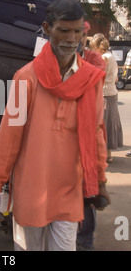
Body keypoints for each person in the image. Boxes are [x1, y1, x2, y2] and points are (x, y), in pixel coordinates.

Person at [0, 0, 110, 251]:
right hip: (31, 190)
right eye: (64, 30)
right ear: (47, 28)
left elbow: (96, 133)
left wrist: (100, 181)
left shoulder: (90, 79)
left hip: (69, 190)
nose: (72, 39)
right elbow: (8, 140)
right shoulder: (25, 78)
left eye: (78, 31)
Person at [76, 22, 106, 251]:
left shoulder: (94, 59)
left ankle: (85, 243)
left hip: (90, 133)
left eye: (81, 33)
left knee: (88, 194)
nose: (76, 38)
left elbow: (96, 76)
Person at [89, 33, 123, 163]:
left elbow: (95, 76)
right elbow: (116, 78)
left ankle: (103, 154)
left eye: (93, 47)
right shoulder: (111, 56)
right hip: (112, 92)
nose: (92, 50)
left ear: (99, 47)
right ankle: (108, 154)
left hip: (104, 94)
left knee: (102, 124)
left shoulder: (103, 58)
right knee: (109, 122)